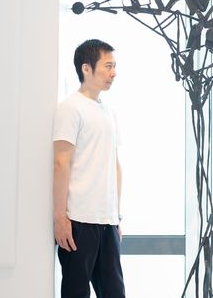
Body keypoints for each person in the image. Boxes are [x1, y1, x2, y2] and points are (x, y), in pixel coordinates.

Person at [53, 39, 125, 298]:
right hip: (79, 221)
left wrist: (117, 217)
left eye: (114, 66)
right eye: (108, 66)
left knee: (115, 293)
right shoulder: (70, 108)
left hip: (107, 221)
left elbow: (115, 166)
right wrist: (60, 218)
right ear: (86, 68)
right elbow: (61, 163)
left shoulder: (109, 112)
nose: (113, 73)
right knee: (76, 293)